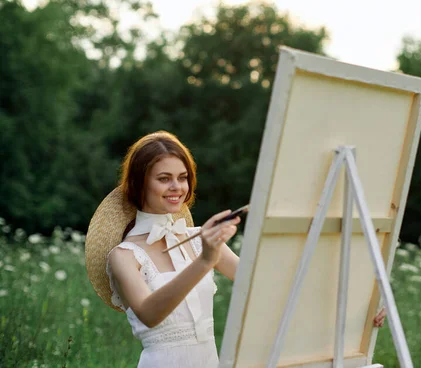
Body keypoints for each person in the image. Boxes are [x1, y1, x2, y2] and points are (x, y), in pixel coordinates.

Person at [85, 130, 385, 368]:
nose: (177, 187)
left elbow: (271, 289)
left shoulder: (198, 237)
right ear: (139, 184)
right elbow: (150, 314)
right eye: (164, 179)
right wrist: (204, 261)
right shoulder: (123, 256)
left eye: (183, 177)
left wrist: (358, 312)